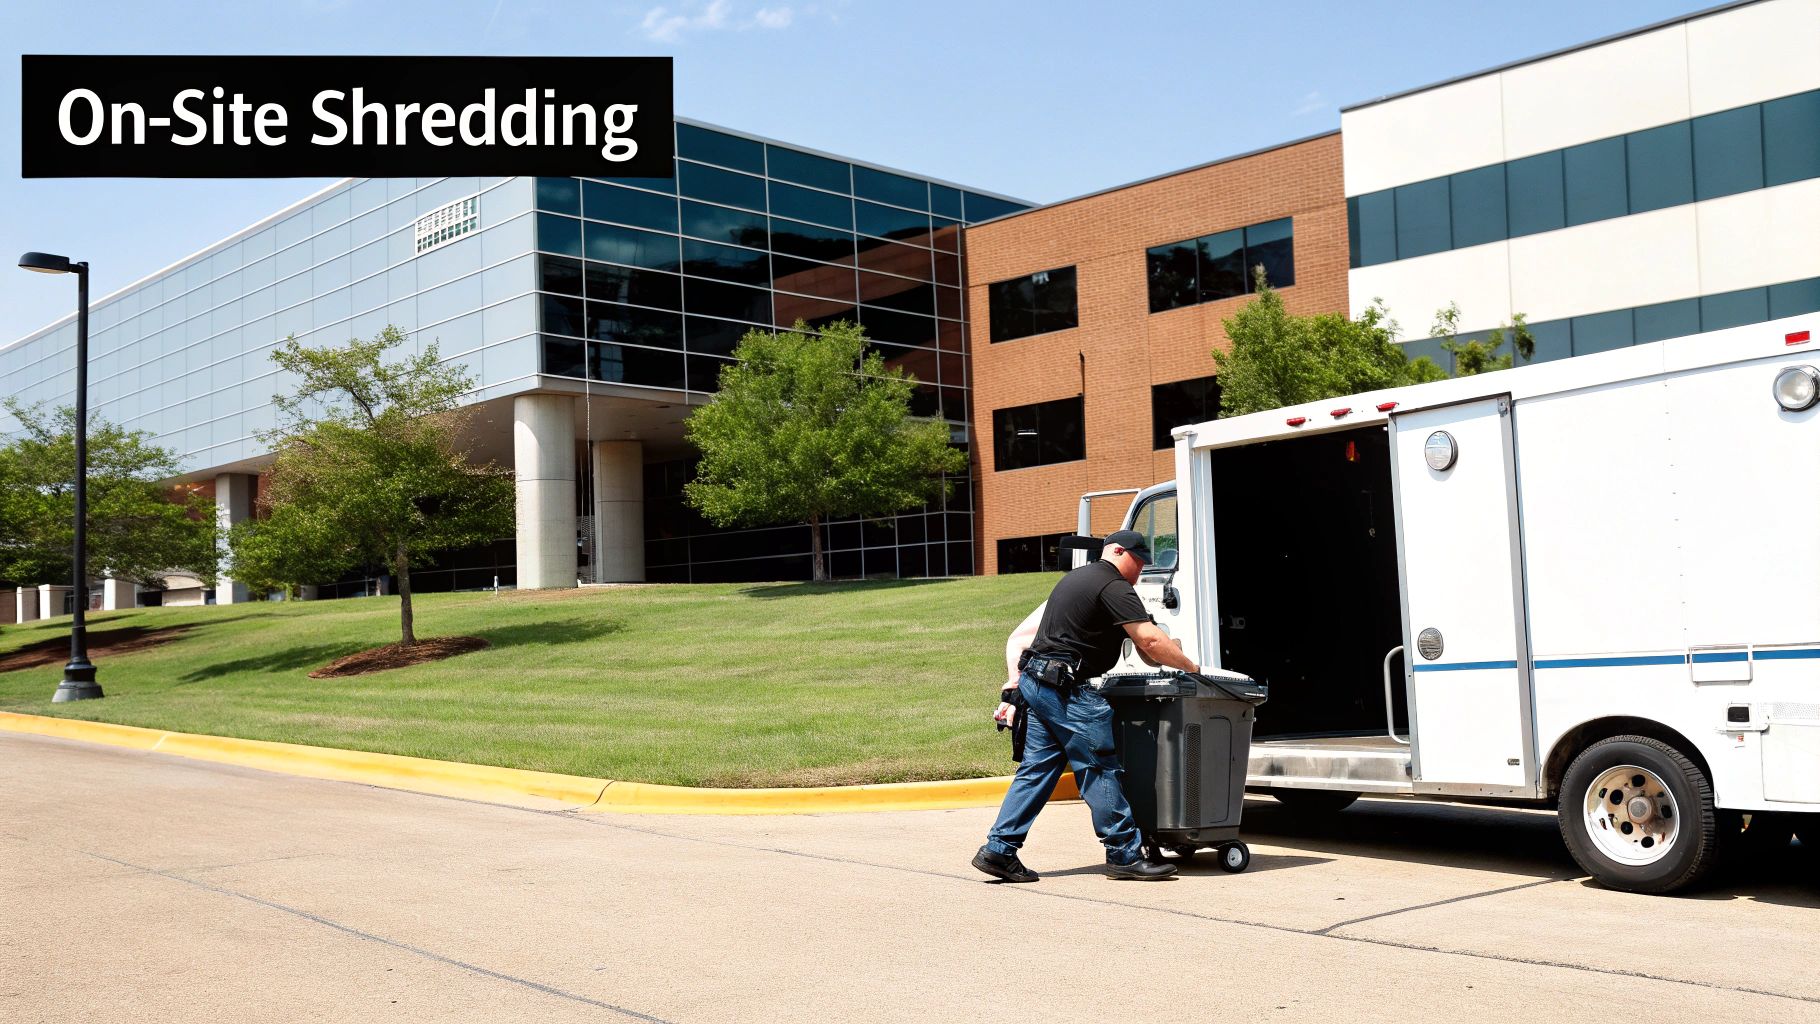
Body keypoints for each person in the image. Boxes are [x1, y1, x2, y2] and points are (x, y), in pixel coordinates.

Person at [972, 530, 1201, 882]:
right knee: (1099, 767)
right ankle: (1124, 854)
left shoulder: (1078, 579)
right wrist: (1192, 668)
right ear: (1119, 552)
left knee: (1037, 769)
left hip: (1037, 681)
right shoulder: (1113, 585)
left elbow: (1146, 645)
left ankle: (999, 851)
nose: (1140, 569)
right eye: (1138, 561)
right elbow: (1151, 641)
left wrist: (1147, 631)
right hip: (1066, 689)